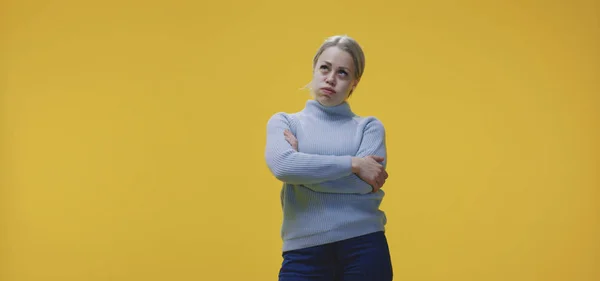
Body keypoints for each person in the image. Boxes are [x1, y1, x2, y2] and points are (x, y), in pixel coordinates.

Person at [264, 34, 393, 281]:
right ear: (314, 68)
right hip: (303, 253)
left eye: (343, 73)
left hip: (364, 247)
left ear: (354, 83)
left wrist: (302, 165)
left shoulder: (369, 127)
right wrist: (353, 163)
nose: (331, 78)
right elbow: (283, 167)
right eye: (325, 67)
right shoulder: (285, 122)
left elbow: (364, 183)